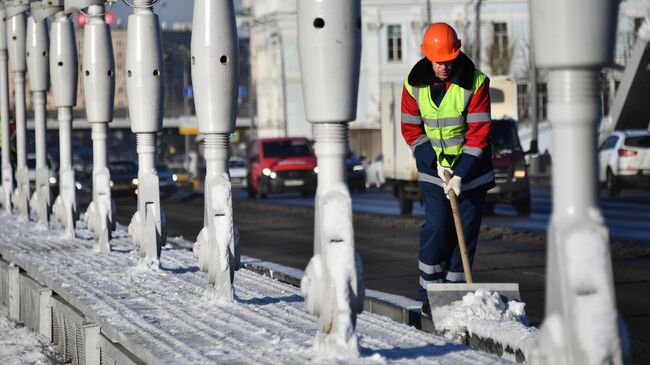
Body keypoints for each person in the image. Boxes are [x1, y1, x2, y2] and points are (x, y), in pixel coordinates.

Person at [400, 22, 495, 316]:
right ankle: (430, 293)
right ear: (428, 56)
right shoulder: (413, 84)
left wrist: (460, 173)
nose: (443, 66)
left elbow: (479, 132)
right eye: (438, 61)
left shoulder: (476, 83)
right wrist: (433, 161)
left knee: (463, 238)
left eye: (449, 61)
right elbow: (411, 130)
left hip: (472, 173)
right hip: (434, 174)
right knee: (439, 227)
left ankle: (454, 298)